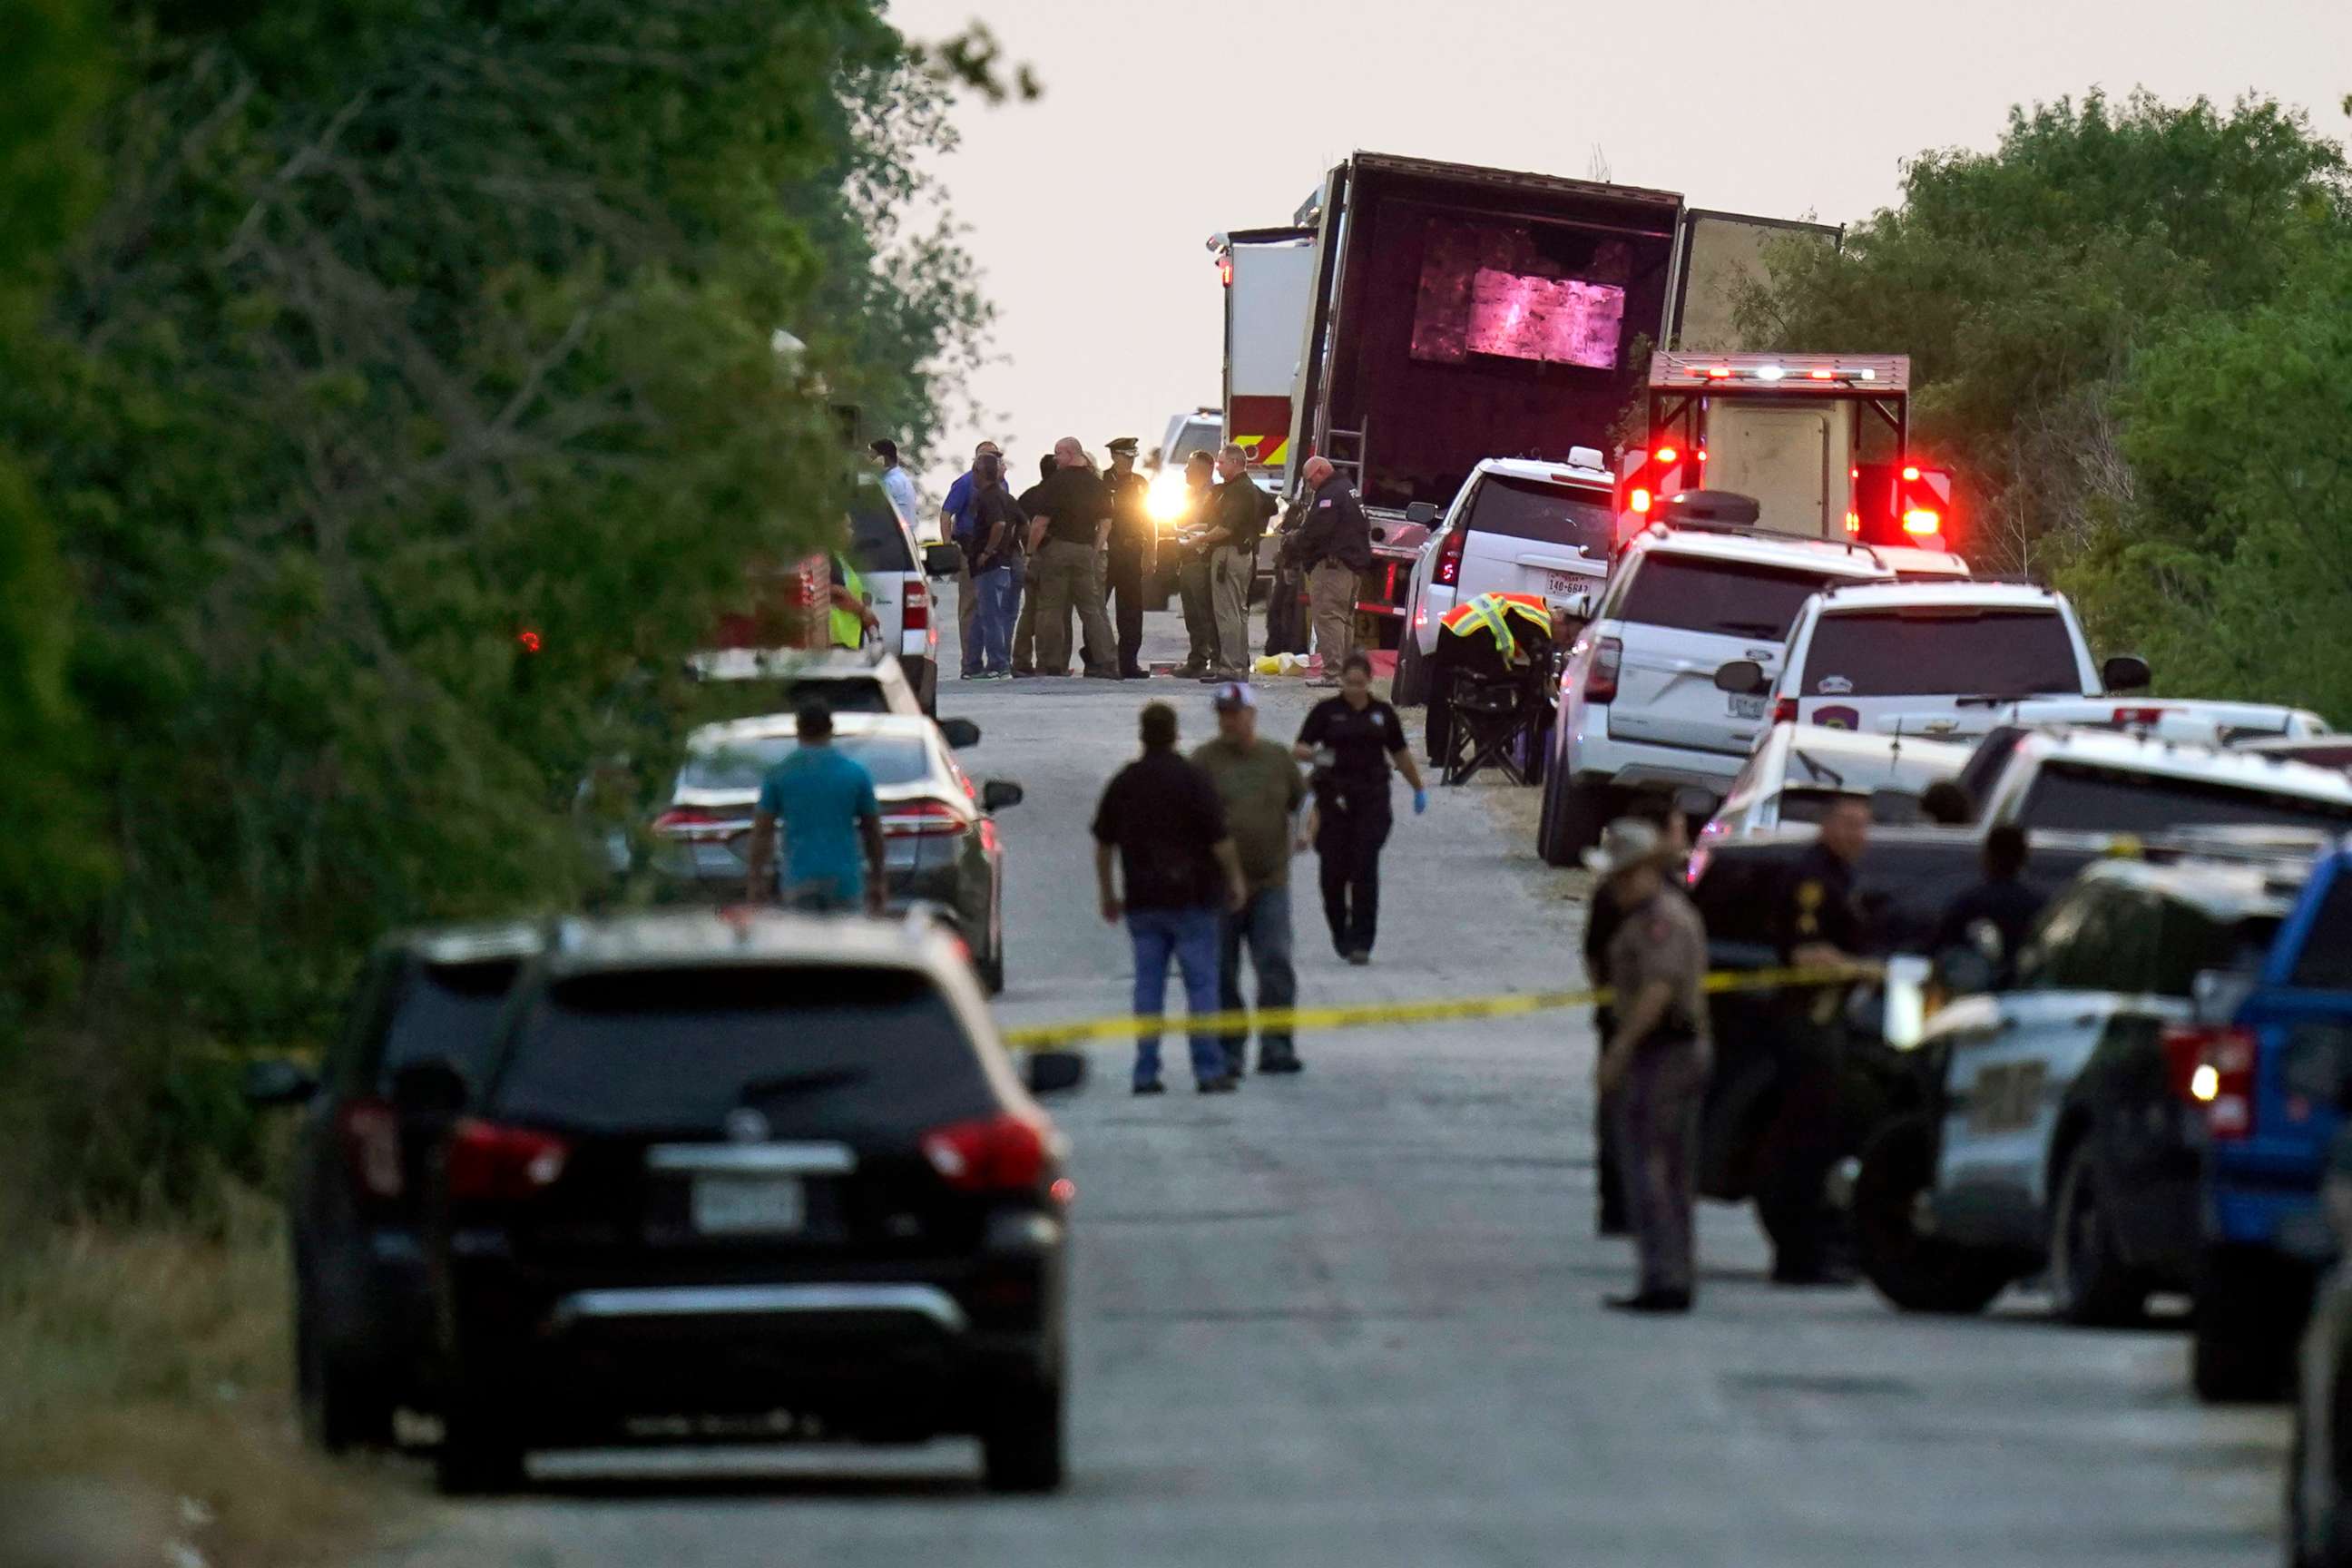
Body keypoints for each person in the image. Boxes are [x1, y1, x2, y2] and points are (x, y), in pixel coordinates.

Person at [1587, 818, 1713, 1314]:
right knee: (1669, 1170)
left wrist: (1620, 1048)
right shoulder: (1650, 917)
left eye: (1620, 876)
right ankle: (1669, 1275)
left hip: (1665, 1053)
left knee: (1651, 1169)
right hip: (1670, 1051)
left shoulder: (1660, 921)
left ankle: (1665, 1277)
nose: (1613, 887)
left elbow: (1657, 992)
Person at [1093, 702, 1250, 1094]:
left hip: (1144, 901)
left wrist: (1109, 893)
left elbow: (1103, 843)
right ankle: (1208, 1070)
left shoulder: (1126, 782)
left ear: (1142, 734)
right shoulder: (1193, 779)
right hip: (1194, 899)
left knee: (1148, 987)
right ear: (1176, 733)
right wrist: (1235, 881)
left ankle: (1146, 1072)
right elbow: (1221, 840)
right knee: (1201, 985)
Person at [1758, 792, 1872, 1286]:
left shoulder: (1839, 877)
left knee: (1817, 1146)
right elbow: (1807, 957)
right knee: (1805, 1149)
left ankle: (1807, 1253)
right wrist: (1871, 970)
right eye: (1847, 824)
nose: (1856, 835)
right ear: (1826, 825)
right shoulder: (1814, 880)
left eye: (1863, 826)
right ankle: (1799, 1259)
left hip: (1825, 1025)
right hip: (1807, 1026)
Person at [1585, 793, 1693, 1237]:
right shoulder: (1643, 897)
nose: (1684, 835)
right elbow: (1601, 957)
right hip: (1639, 1022)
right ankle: (1624, 1205)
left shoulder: (1659, 892)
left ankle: (1627, 1206)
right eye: (1679, 826)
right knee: (1629, 1119)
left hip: (1641, 1022)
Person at [1193, 681, 1307, 1075]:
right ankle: (1230, 1050)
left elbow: (1303, 800)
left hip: (1270, 882)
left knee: (1275, 963)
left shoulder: (1276, 759)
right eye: (1222, 713)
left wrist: (1308, 829)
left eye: (1235, 713)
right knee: (1222, 970)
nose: (1229, 721)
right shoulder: (1204, 762)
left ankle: (1277, 1045)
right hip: (1220, 886)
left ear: (1251, 715)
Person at [1295, 651, 1428, 964]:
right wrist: (1321, 759)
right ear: (1341, 681)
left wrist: (1418, 788)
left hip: (1372, 799)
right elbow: (1300, 748)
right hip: (1333, 800)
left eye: (1360, 683)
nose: (1354, 689)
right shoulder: (1326, 712)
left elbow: (1400, 754)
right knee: (1333, 875)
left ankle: (1362, 942)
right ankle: (1341, 932)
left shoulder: (1383, 714)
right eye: (1348, 683)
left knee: (1364, 869)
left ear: (1369, 682)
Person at [744, 701, 886, 915]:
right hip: (844, 879)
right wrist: (878, 878)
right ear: (831, 730)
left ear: (798, 730)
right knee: (845, 944)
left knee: (805, 945)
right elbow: (872, 831)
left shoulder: (781, 773)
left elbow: (763, 831)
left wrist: (756, 879)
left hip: (799, 877)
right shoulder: (854, 773)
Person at [1024, 438, 1120, 680]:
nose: (1055, 458)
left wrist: (1030, 552)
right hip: (1085, 550)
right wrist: (1094, 550)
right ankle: (1107, 661)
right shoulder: (1097, 484)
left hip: (1057, 550)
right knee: (1092, 609)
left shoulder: (1056, 482)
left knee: (1051, 608)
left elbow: (1040, 523)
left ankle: (1049, 663)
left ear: (1069, 453)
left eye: (1058, 453)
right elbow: (1106, 523)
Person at [1293, 456, 1372, 686]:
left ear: (1320, 471)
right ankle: (1344, 671)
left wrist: (1296, 543)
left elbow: (1316, 530)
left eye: (1310, 481)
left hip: (1333, 568)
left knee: (1329, 618)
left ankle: (1333, 673)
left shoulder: (1331, 494)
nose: (1310, 486)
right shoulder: (1348, 489)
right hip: (1350, 566)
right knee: (1344, 620)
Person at [1201, 443, 1277, 681]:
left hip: (1229, 554)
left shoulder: (1238, 490)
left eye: (1221, 462)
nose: (1218, 466)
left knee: (1228, 613)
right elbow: (1271, 505)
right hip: (1241, 553)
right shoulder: (1248, 487)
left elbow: (1225, 528)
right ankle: (1238, 666)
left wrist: (1196, 541)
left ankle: (1231, 667)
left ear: (1235, 463)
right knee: (1238, 612)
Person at [1934, 823, 2044, 985]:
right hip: (2028, 990)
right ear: (2024, 857)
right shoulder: (2039, 905)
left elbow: (1939, 946)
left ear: (1987, 856)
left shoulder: (1969, 904)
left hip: (1974, 995)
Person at [961, 449, 1027, 679]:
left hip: (990, 565)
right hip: (1003, 563)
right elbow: (1023, 523)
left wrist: (988, 551)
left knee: (990, 617)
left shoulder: (988, 497)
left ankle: (999, 665)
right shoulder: (1006, 497)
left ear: (980, 473)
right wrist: (1011, 544)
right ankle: (974, 665)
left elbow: (998, 524)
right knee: (985, 615)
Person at [940, 440, 1004, 671]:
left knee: (994, 607)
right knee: (970, 607)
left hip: (994, 552)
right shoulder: (965, 483)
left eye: (995, 456)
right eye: (987, 457)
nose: (992, 461)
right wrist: (948, 548)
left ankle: (995, 660)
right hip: (970, 551)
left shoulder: (1001, 483)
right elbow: (946, 514)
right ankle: (970, 661)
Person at [1102, 436, 1155, 679]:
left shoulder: (1140, 483)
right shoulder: (1102, 481)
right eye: (1126, 456)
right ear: (1114, 456)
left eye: (1133, 457)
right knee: (1097, 609)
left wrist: (1152, 553)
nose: (1130, 461)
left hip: (1132, 553)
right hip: (1107, 551)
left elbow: (1149, 520)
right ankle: (1098, 659)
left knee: (1132, 612)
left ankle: (1129, 663)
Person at [1172, 451, 1220, 678]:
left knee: (1206, 614)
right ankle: (1197, 660)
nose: (1185, 471)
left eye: (1189, 467)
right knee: (1192, 614)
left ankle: (1216, 660)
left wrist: (1195, 531)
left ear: (1202, 470)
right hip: (1187, 558)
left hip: (1203, 560)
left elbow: (1215, 525)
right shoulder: (1189, 495)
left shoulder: (1215, 495)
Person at [1011, 453, 1055, 677]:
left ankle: (1021, 659)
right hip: (1049, 555)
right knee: (1049, 610)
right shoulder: (1055, 495)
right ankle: (1046, 661)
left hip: (1028, 557)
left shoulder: (1027, 496)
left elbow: (1018, 526)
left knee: (1028, 610)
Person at [870, 437, 920, 524]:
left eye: (872, 458)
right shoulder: (901, 479)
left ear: (883, 458)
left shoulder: (890, 483)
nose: (870, 462)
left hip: (889, 535)